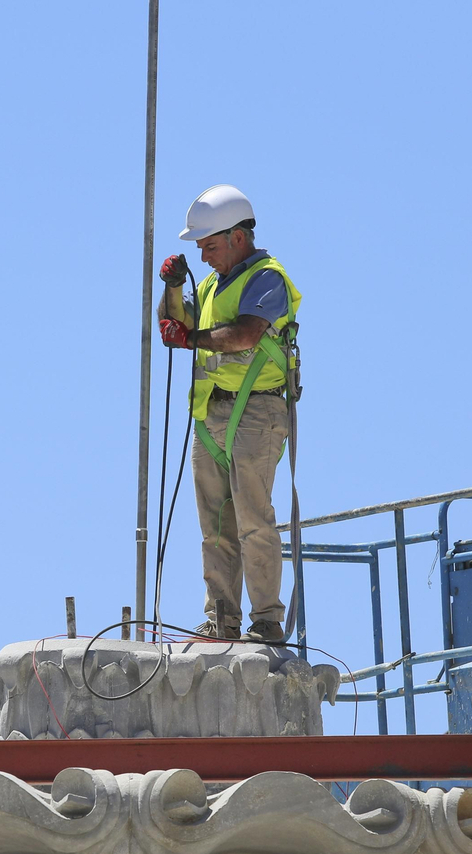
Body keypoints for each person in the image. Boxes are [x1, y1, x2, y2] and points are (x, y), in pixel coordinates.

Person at [157, 184, 301, 642]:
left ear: (238, 236)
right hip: (214, 415)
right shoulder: (213, 285)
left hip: (257, 412)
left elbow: (244, 336)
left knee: (252, 519)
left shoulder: (266, 279)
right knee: (215, 525)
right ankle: (222, 619)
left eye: (210, 246)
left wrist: (191, 339)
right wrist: (174, 287)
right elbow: (173, 327)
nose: (204, 257)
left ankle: (266, 622)